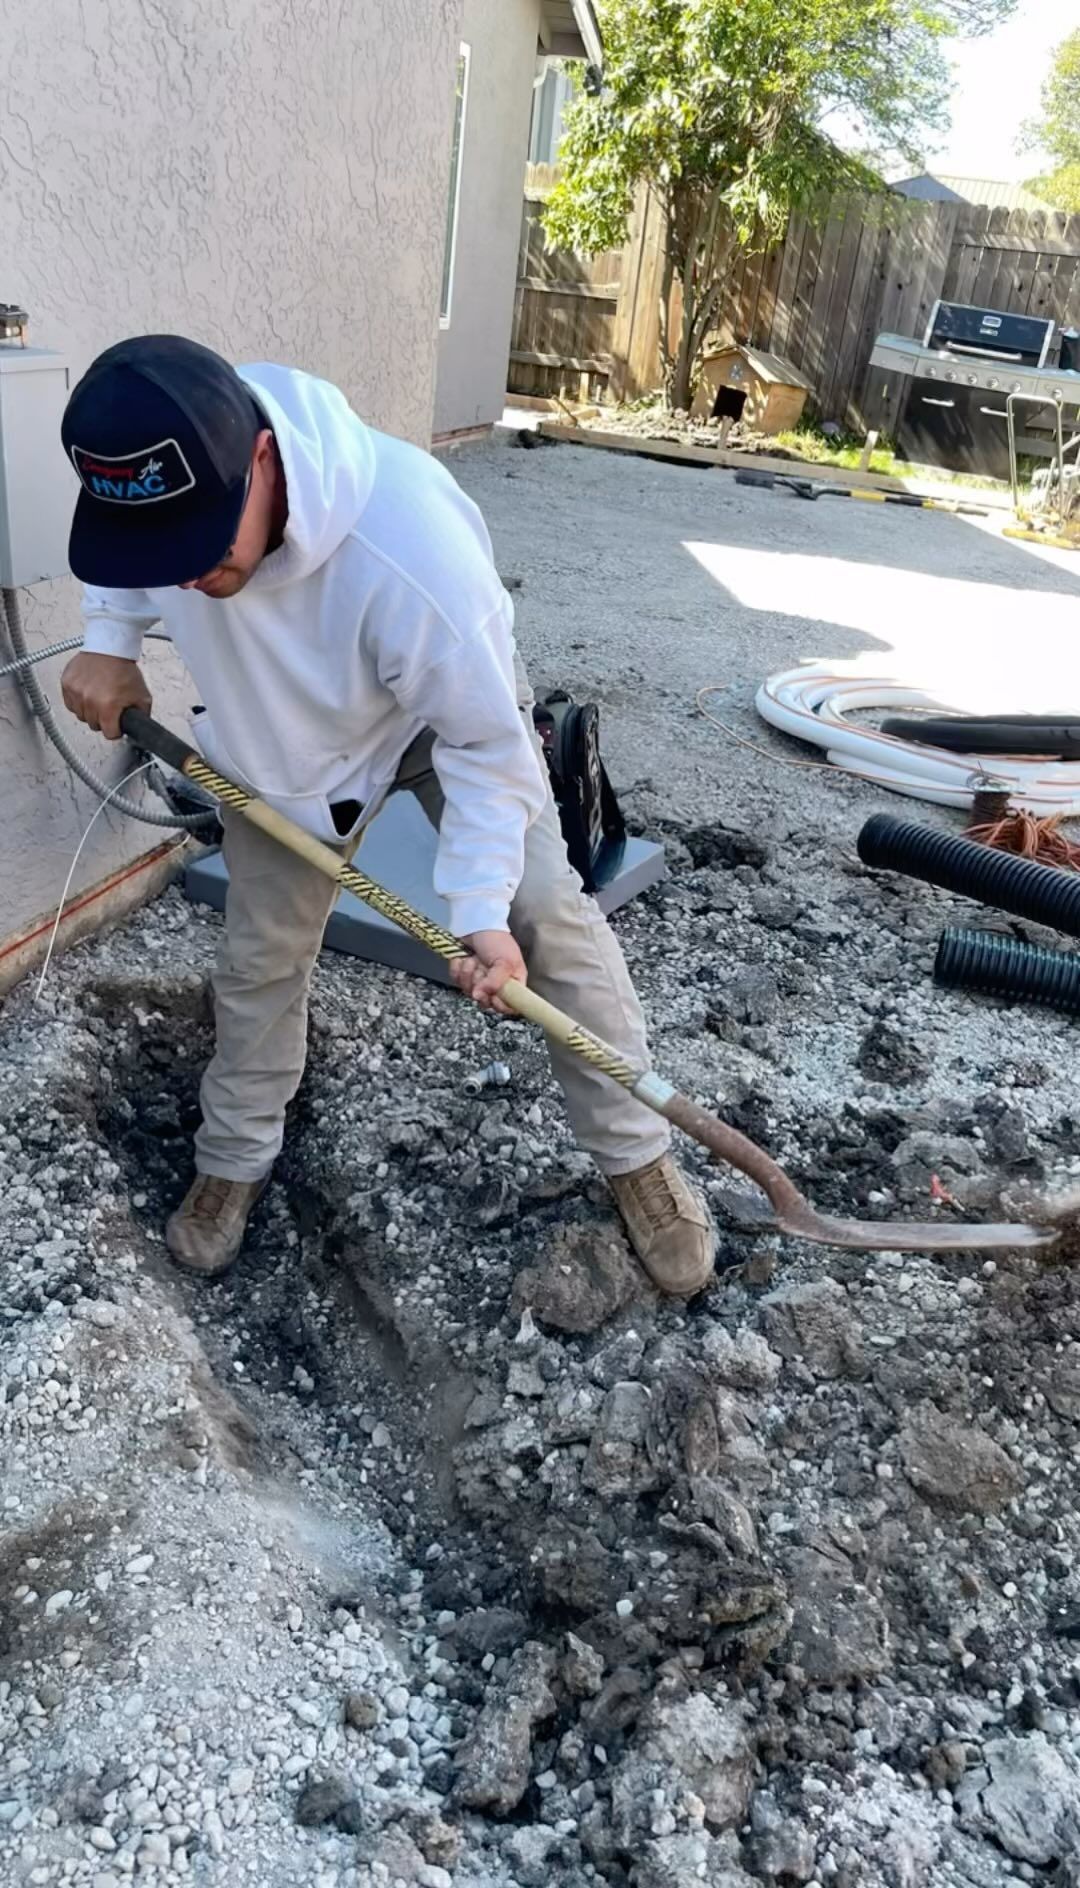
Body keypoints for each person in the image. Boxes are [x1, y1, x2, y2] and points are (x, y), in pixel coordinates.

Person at [59, 335, 716, 1295]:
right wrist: (109, 642)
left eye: (197, 544)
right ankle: (233, 1159)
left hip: (435, 724)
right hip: (277, 750)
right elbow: (125, 559)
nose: (187, 575)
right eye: (160, 550)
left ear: (263, 460)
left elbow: (490, 751)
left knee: (549, 921)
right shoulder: (163, 483)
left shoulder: (410, 554)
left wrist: (480, 909)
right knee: (260, 957)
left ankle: (638, 1155)